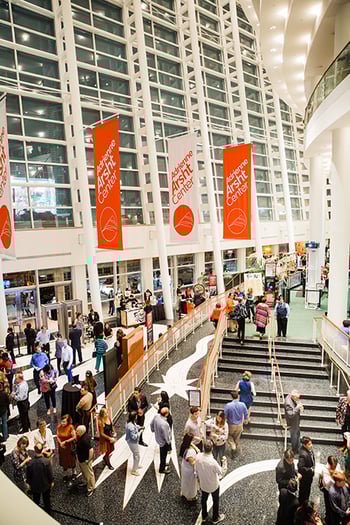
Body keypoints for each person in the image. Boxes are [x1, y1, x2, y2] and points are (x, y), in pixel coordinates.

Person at [195, 440, 226, 524]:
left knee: (203, 499)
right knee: (215, 501)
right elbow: (222, 472)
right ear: (212, 449)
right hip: (213, 485)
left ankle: (204, 516)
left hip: (203, 484)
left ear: (204, 448)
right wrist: (224, 462)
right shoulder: (213, 462)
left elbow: (196, 470)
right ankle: (215, 518)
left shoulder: (198, 457)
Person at [26, 443, 54, 515]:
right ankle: (48, 513)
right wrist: (51, 481)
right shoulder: (46, 461)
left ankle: (36, 514)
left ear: (34, 450)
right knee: (46, 500)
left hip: (35, 485)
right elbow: (50, 474)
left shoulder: (30, 462)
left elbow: (28, 475)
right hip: (45, 485)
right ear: (42, 450)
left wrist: (29, 484)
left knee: (36, 500)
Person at [224, 390, 248, 457]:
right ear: (238, 396)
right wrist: (245, 420)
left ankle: (233, 446)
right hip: (239, 424)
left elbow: (225, 416)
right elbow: (246, 414)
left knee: (229, 436)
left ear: (231, 397)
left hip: (231, 424)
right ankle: (235, 449)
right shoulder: (243, 405)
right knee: (237, 438)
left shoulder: (228, 405)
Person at [319, 455, 342, 525]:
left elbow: (340, 472)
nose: (335, 468)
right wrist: (333, 476)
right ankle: (328, 520)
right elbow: (327, 483)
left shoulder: (337, 465)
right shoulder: (325, 469)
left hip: (337, 490)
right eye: (333, 466)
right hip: (328, 491)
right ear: (329, 464)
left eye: (335, 466)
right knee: (329, 506)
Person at [76, 425, 96, 497]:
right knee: (85, 473)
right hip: (82, 459)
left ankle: (91, 488)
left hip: (85, 460)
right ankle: (86, 482)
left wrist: (88, 460)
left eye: (77, 431)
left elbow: (91, 450)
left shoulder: (84, 440)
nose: (76, 432)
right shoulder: (83, 436)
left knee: (89, 474)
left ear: (81, 432)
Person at [151, 407, 172, 474]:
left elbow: (151, 424)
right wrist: (168, 443)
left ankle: (163, 463)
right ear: (166, 414)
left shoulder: (156, 416)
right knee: (163, 455)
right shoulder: (164, 424)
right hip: (163, 442)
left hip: (158, 438)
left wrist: (153, 430)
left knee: (163, 454)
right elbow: (166, 436)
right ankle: (162, 469)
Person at [57, 414, 77, 482]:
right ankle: (65, 474)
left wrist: (65, 441)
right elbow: (58, 436)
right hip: (62, 447)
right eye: (62, 421)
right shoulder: (59, 427)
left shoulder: (71, 427)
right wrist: (60, 443)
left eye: (64, 422)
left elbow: (74, 437)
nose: (62, 423)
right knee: (64, 460)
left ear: (68, 422)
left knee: (71, 460)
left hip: (69, 446)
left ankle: (74, 472)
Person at [179, 433, 200, 502]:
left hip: (185, 466)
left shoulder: (186, 445)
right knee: (190, 483)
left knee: (185, 481)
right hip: (189, 469)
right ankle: (190, 496)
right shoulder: (190, 452)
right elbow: (192, 462)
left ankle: (184, 492)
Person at [298, 436, 315, 504]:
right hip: (305, 478)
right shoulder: (303, 454)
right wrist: (310, 470)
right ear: (304, 445)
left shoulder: (309, 449)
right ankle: (302, 505)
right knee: (304, 492)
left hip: (309, 476)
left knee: (307, 490)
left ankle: (306, 502)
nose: (311, 445)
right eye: (309, 444)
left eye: (311, 443)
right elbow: (300, 467)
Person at [125, 411, 141, 476]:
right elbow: (134, 437)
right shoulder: (130, 426)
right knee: (137, 455)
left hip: (131, 441)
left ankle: (136, 464)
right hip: (132, 442)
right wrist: (139, 433)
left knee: (135, 454)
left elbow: (135, 425)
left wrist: (138, 427)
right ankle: (134, 470)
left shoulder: (129, 422)